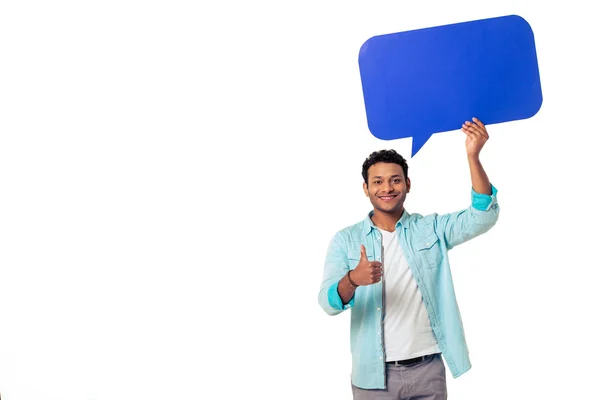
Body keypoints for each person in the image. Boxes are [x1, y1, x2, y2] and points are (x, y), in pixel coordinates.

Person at [318, 117, 500, 399]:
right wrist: (353, 280)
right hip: (373, 377)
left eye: (394, 180)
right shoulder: (345, 240)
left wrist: (473, 155)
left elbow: (482, 216)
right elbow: (327, 303)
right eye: (377, 182)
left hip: (428, 370)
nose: (387, 188)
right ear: (366, 188)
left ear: (407, 184)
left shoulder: (431, 229)